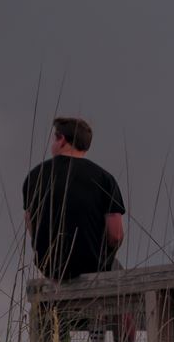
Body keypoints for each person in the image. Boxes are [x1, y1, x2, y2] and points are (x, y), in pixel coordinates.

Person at [22, 116, 126, 281]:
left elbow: (30, 220)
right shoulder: (104, 178)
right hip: (94, 266)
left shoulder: (35, 175)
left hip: (50, 268)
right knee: (118, 270)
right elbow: (116, 235)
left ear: (62, 140)